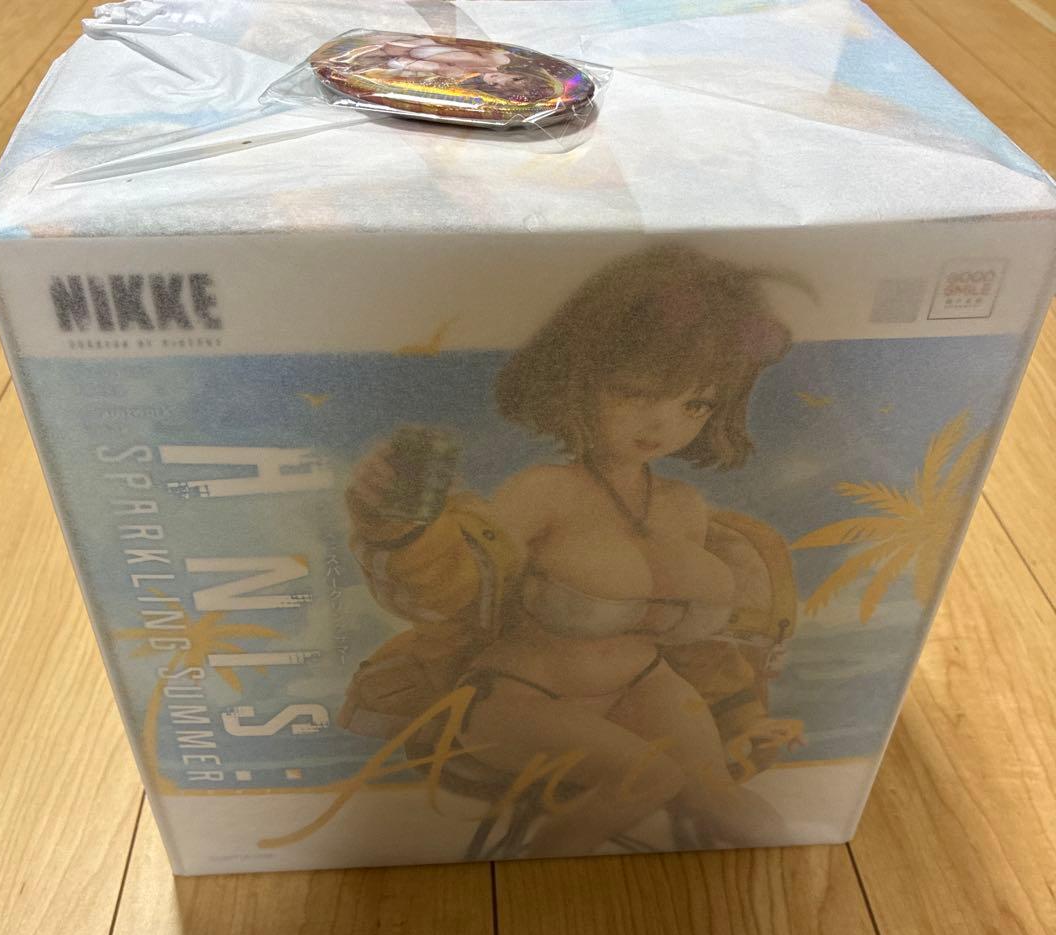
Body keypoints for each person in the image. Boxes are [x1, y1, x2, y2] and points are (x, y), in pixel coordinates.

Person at [342, 245, 804, 858]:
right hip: (524, 698)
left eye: (695, 403)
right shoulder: (544, 492)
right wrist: (400, 522)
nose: (662, 425)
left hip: (647, 686)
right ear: (577, 382)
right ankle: (531, 891)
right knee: (649, 779)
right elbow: (452, 587)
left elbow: (695, 648)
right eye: (636, 393)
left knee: (737, 811)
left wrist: (745, 719)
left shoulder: (685, 507)